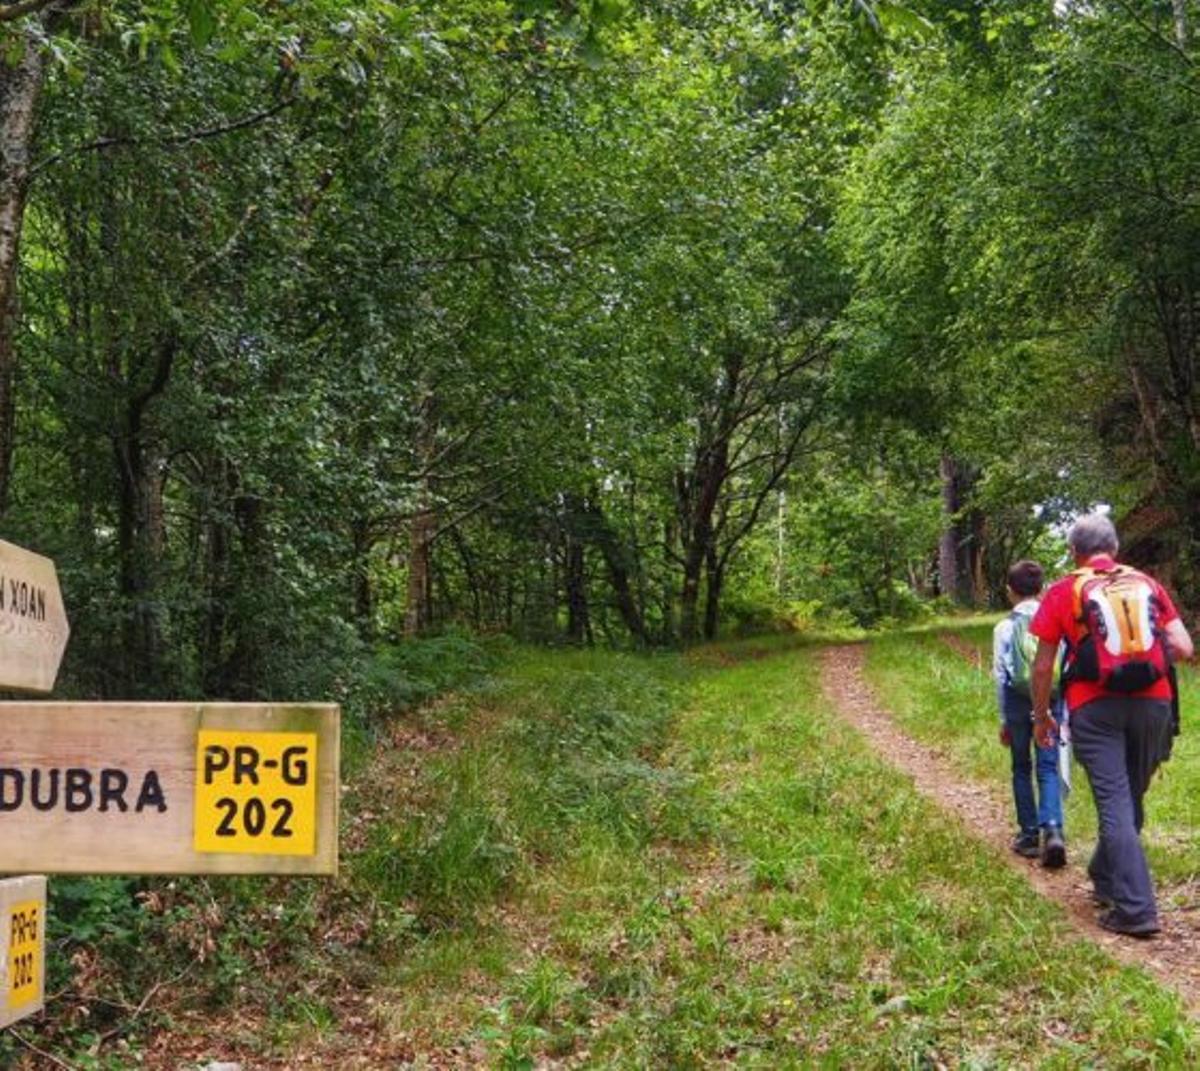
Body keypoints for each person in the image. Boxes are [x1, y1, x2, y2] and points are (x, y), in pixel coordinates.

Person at [1030, 513, 1193, 938]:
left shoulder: (1065, 591)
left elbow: (1043, 665)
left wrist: (1042, 715)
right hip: (1154, 705)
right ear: (1115, 548)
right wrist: (1143, 665)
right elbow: (1183, 646)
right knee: (1129, 800)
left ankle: (1135, 910)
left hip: (1094, 708)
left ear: (1075, 553)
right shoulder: (1148, 584)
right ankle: (1105, 877)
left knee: (1116, 804)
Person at [993, 560, 1066, 867]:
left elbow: (999, 676)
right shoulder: (1055, 621)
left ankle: (1028, 836)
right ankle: (1053, 829)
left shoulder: (1005, 627)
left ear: (1010, 591)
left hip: (1016, 701)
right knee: (1048, 766)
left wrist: (1003, 719)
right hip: (1050, 696)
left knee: (1021, 766)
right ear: (1041, 588)